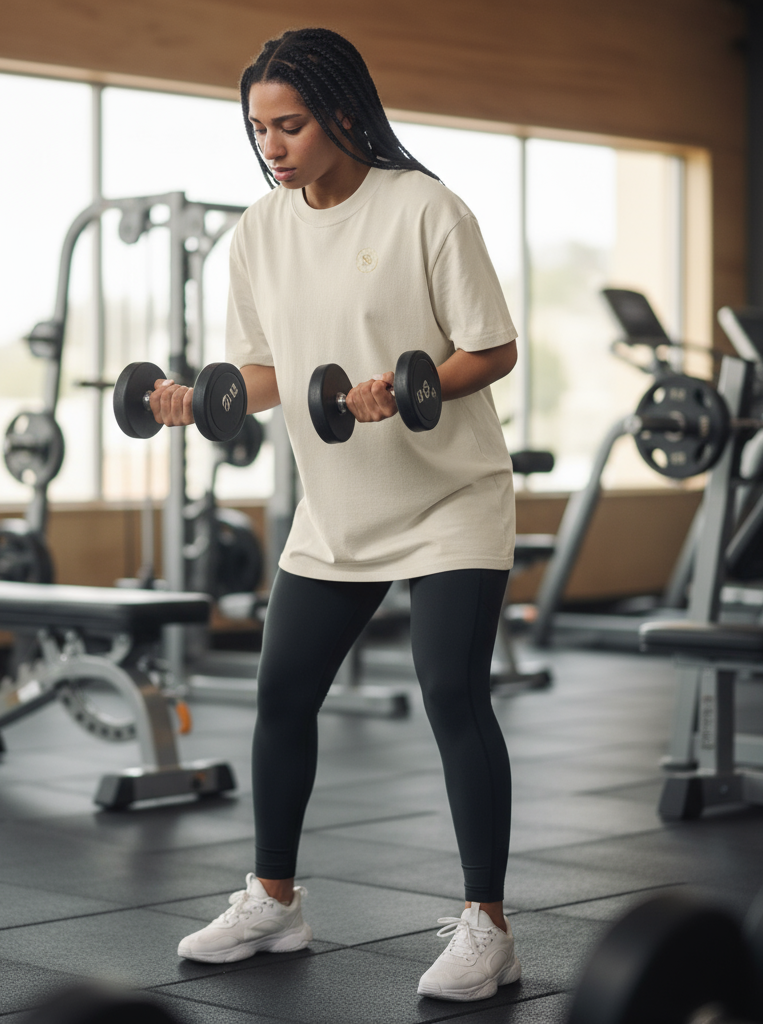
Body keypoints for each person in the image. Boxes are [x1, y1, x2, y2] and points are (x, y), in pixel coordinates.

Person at [149, 27, 520, 1003]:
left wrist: (405, 389)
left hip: (450, 497)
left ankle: (487, 924)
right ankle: (274, 899)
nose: (272, 144)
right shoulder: (259, 232)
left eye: (291, 124)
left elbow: (491, 349)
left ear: (343, 113)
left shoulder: (426, 209)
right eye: (259, 127)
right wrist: (203, 397)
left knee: (450, 693)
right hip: (337, 509)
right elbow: (265, 375)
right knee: (281, 697)